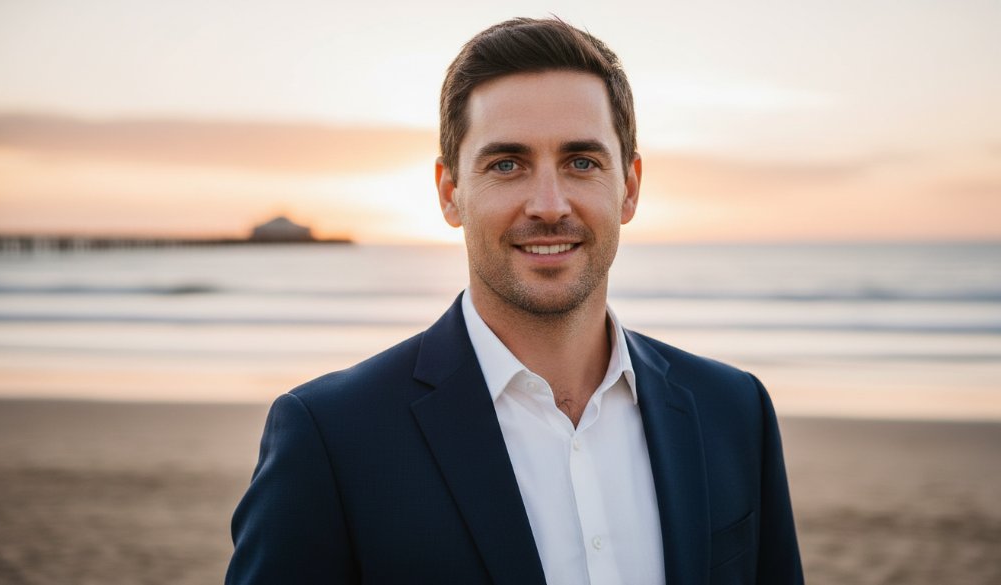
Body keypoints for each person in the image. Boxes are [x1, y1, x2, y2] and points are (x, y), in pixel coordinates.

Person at [226, 17, 804, 585]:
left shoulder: (733, 411)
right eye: (507, 164)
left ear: (628, 188)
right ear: (451, 194)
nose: (549, 205)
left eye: (581, 162)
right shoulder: (331, 436)